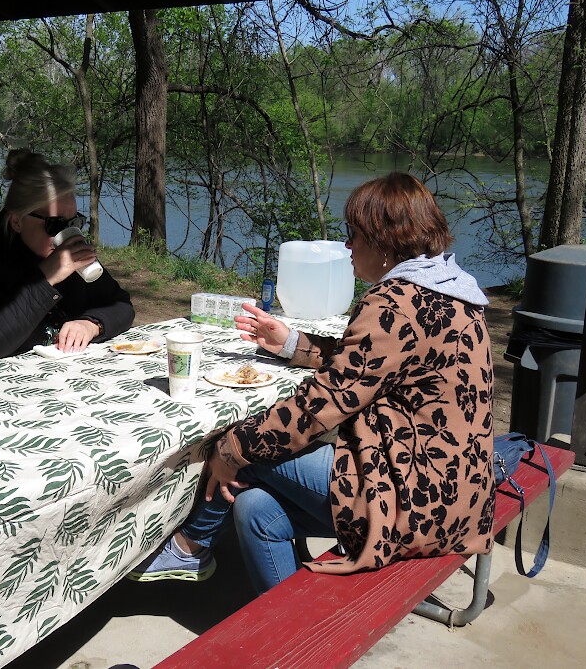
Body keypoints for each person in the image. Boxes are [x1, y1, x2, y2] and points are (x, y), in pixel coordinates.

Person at [127, 171, 495, 595]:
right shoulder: (451, 290)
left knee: (242, 445)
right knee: (255, 509)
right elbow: (373, 362)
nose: (347, 246)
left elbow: (318, 406)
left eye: (354, 234)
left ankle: (190, 544)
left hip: (410, 499)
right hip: (459, 491)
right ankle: (287, 624)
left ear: (385, 241)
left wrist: (231, 449)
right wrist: (291, 344)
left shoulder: (395, 304)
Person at [0, 149, 134, 361]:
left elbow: (120, 304)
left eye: (74, 222)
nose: (67, 233)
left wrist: (91, 324)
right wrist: (45, 279)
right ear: (17, 221)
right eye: (55, 224)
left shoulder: (66, 249)